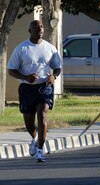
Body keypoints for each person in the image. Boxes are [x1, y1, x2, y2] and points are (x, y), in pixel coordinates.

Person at [8, 20, 62, 163]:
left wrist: (54, 76)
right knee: (29, 123)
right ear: (29, 30)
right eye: (36, 26)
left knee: (43, 115)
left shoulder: (50, 48)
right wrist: (25, 77)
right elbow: (11, 70)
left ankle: (40, 151)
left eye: (41, 26)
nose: (40, 28)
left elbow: (57, 67)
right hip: (26, 88)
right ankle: (35, 138)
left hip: (44, 87)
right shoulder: (22, 48)